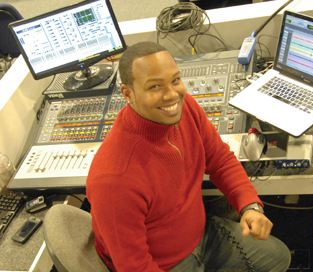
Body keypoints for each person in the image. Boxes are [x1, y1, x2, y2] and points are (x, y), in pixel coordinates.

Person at [86, 41, 291, 272]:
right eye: (155, 87)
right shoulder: (114, 179)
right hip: (163, 265)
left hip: (202, 236)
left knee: (279, 258)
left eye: (175, 80)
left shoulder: (185, 109)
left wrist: (250, 206)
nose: (172, 95)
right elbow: (135, 266)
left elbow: (220, 160)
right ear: (128, 94)